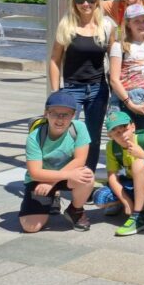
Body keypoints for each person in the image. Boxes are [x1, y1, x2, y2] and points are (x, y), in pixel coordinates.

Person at [48, 0, 114, 173]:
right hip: (71, 89)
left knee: (93, 136)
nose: (86, 4)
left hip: (98, 89)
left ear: (97, 1)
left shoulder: (106, 26)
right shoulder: (66, 25)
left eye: (90, 0)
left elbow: (114, 57)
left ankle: (87, 175)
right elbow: (54, 59)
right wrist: (56, 92)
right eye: (80, 0)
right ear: (74, 2)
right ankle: (61, 175)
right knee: (64, 132)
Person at [19, 91, 95, 233]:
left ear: (73, 115)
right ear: (46, 113)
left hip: (66, 175)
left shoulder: (79, 128)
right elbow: (35, 173)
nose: (60, 119)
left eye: (65, 114)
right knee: (30, 227)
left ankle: (75, 210)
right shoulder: (35, 137)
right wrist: (53, 180)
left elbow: (80, 160)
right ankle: (48, 201)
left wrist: (52, 183)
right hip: (40, 179)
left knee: (87, 176)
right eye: (54, 113)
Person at [93, 110, 144, 236]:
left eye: (125, 129)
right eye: (117, 132)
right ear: (110, 135)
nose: (122, 135)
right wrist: (126, 201)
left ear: (133, 126)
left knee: (139, 164)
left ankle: (139, 216)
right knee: (99, 198)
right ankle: (129, 204)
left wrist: (142, 154)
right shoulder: (111, 146)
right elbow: (112, 176)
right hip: (133, 184)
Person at [108, 3, 144, 133]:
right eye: (137, 21)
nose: (142, 24)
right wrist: (130, 104)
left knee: (143, 138)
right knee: (123, 137)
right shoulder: (119, 46)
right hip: (124, 99)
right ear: (128, 24)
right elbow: (114, 80)